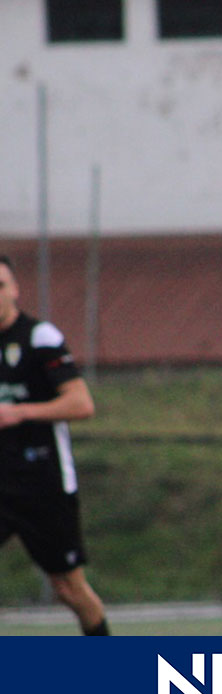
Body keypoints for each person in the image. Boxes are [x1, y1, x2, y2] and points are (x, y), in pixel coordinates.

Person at [0, 254, 108, 636]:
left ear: (15, 289)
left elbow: (81, 404)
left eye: (0, 286)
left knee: (68, 587)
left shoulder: (39, 338)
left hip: (41, 481)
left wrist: (20, 412)